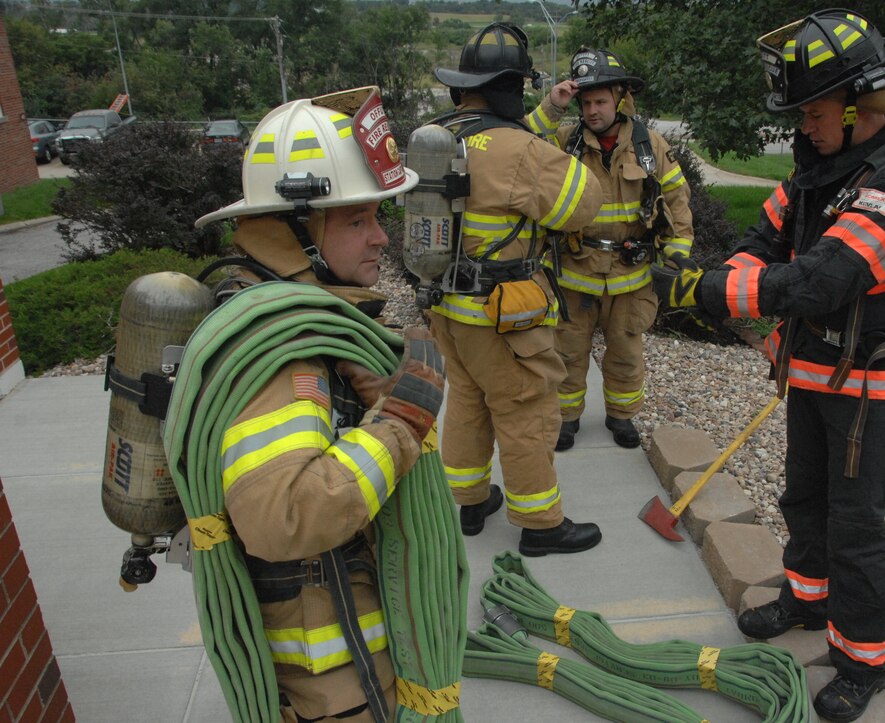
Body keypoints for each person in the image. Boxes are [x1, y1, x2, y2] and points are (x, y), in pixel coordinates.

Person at [652, 10, 885, 722]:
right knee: (803, 497)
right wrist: (720, 278)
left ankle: (866, 657)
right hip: (817, 369)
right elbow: (764, 243)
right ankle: (807, 600)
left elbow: (822, 280)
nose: (800, 128)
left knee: (856, 520)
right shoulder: (820, 174)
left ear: (857, 107)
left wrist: (708, 290)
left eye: (811, 112)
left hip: (869, 384)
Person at [192, 87, 443, 722]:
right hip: (334, 673)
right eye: (357, 221)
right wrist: (401, 424)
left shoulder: (293, 312)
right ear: (295, 228)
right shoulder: (281, 352)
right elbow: (287, 517)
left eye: (376, 218)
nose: (381, 239)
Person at [428, 23, 606, 555]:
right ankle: (541, 525)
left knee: (467, 400)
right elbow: (585, 202)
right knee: (525, 407)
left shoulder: (439, 138)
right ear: (510, 88)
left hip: (447, 309)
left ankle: (470, 501)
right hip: (500, 315)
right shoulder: (521, 150)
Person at [528, 47, 694, 451]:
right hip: (576, 270)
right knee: (567, 352)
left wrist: (678, 251)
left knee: (625, 352)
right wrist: (552, 105)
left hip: (631, 274)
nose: (591, 110)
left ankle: (621, 417)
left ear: (620, 99)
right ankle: (567, 420)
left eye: (600, 101)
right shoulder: (565, 141)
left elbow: (677, 198)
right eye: (585, 102)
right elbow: (524, 140)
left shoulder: (649, 145)